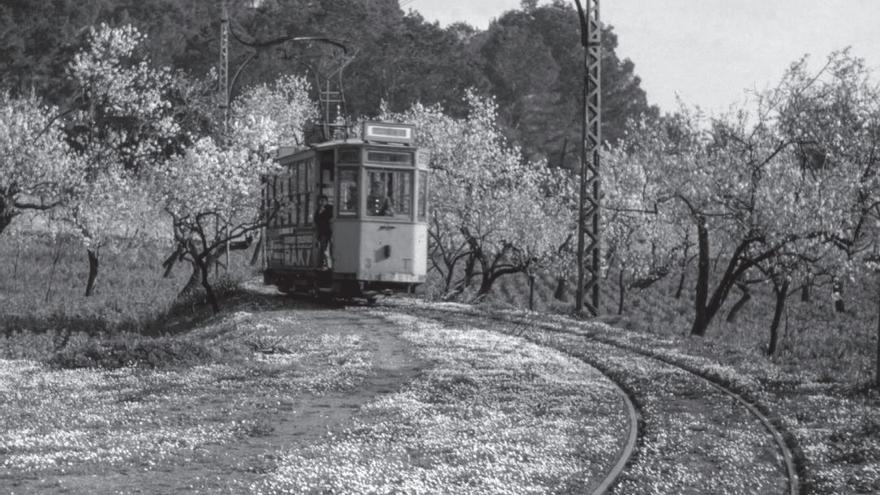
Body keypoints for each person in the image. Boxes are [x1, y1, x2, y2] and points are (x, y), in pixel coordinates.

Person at [314, 195, 333, 268]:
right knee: (323, 249)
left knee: (330, 248)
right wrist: (320, 212)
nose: (321, 203)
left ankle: (329, 264)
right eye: (320, 201)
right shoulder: (318, 210)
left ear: (326, 201)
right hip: (323, 233)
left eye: (323, 201)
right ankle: (325, 264)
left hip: (330, 232)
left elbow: (331, 217)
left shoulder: (330, 208)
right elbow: (316, 220)